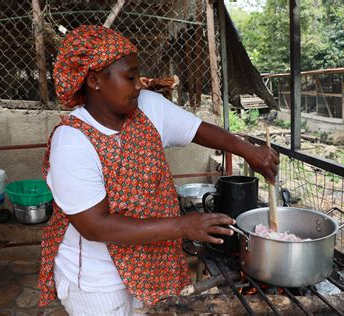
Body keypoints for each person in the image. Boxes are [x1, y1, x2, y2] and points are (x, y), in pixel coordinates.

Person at [38, 25, 279, 315]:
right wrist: (186, 226)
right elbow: (95, 226)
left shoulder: (147, 107)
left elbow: (198, 130)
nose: (139, 84)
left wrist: (250, 152)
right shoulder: (72, 141)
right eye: (129, 77)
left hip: (154, 260)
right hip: (98, 279)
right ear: (95, 80)